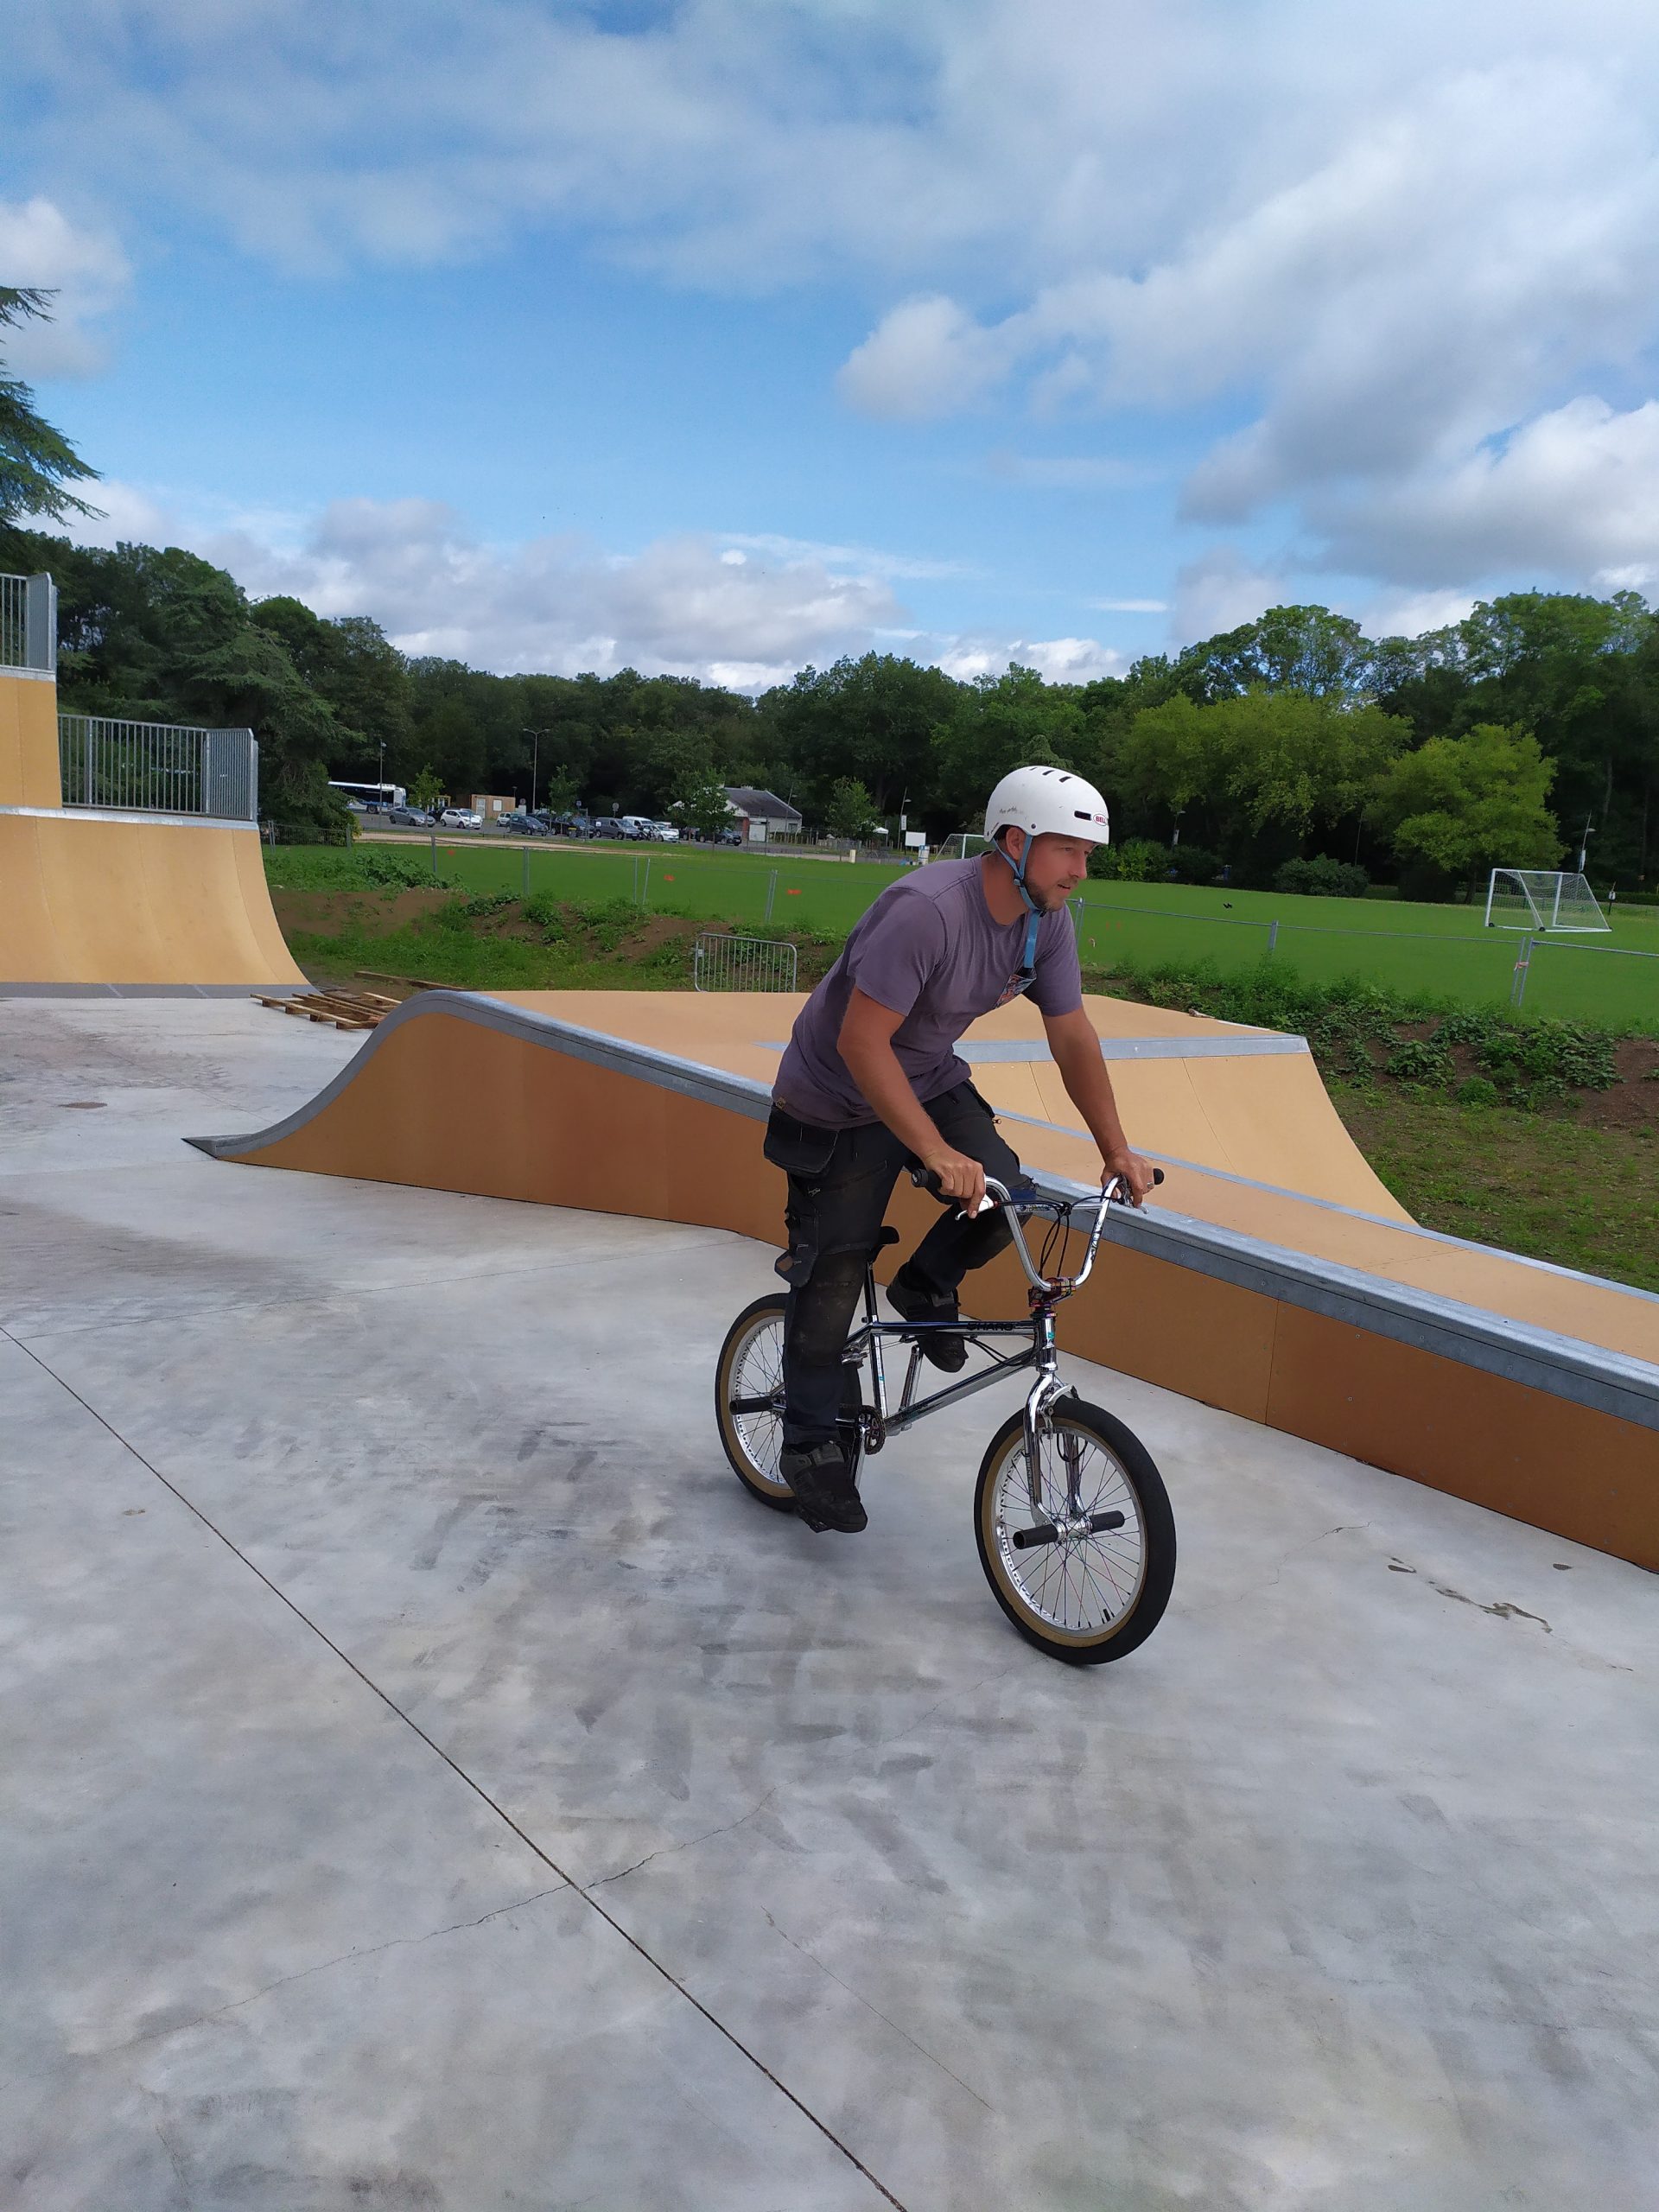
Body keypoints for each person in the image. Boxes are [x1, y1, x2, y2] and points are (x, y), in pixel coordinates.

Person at [765, 765, 1158, 1535]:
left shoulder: (1045, 921)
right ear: (1014, 841)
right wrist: (932, 1153)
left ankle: (923, 1288)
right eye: (1069, 851)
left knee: (1005, 1195)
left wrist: (1115, 1147)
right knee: (836, 1273)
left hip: (928, 1076)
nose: (1082, 871)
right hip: (835, 1095)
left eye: (1088, 854)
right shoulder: (927, 912)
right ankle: (809, 1446)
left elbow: (1071, 1030)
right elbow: (860, 1040)